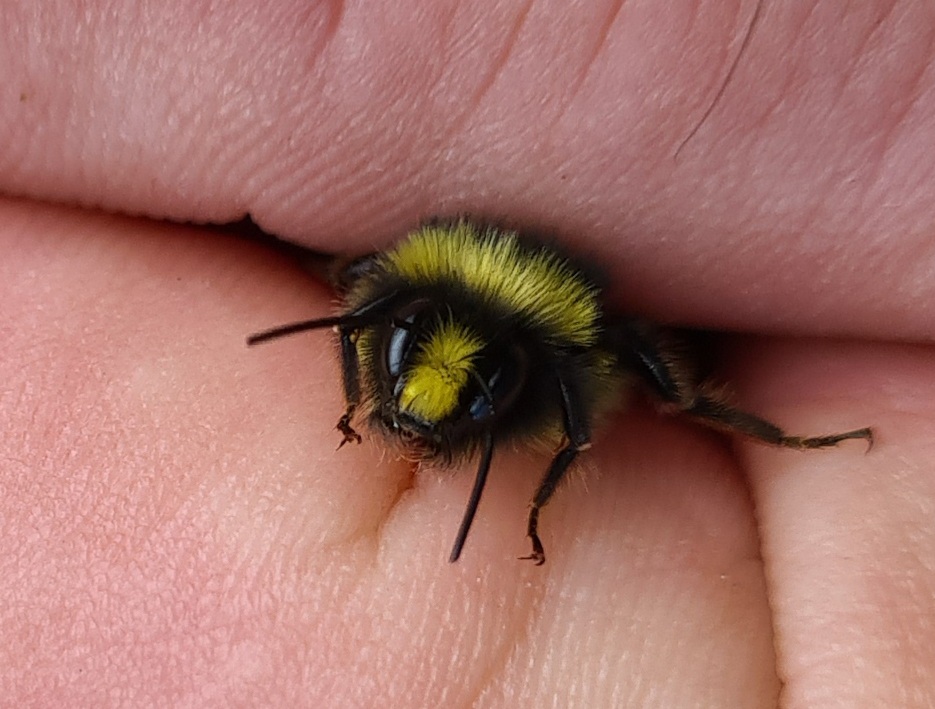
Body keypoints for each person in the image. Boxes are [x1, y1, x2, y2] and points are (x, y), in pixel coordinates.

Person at [1, 2, 931, 706]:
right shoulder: (385, 286)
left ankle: (789, 439)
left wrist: (536, 503)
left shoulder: (566, 367)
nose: (417, 401)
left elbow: (571, 424)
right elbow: (361, 298)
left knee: (673, 393)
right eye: (400, 350)